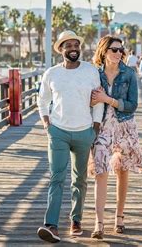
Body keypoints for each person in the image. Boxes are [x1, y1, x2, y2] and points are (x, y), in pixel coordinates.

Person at [36, 30, 104, 243]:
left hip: (84, 131)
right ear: (61, 49)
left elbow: (98, 100)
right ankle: (51, 225)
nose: (73, 48)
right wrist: (47, 123)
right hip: (59, 132)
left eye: (76, 45)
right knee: (56, 178)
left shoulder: (91, 71)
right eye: (68, 45)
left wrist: (95, 127)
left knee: (80, 180)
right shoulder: (52, 74)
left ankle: (76, 219)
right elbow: (42, 99)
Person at [88, 35, 142, 239]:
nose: (118, 53)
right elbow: (88, 99)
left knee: (122, 170)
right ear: (104, 51)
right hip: (102, 126)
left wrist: (108, 99)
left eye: (121, 50)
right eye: (114, 49)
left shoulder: (129, 74)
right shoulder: (95, 74)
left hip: (125, 125)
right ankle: (99, 222)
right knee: (101, 170)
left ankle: (119, 217)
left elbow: (132, 105)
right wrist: (95, 101)